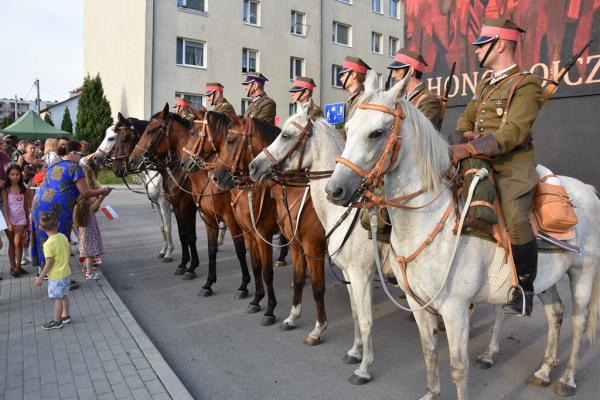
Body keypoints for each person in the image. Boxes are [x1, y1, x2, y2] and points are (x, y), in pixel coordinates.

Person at [451, 18, 542, 316]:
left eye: (481, 45)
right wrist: (461, 142)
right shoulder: (485, 85)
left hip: (511, 163)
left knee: (515, 215)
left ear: (499, 44)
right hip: (478, 159)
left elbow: (515, 130)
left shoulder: (526, 83)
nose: (476, 51)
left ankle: (524, 290)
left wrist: (472, 144)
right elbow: (465, 120)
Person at [30, 140, 112, 286]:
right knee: (59, 243)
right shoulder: (75, 168)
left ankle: (46, 272)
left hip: (39, 206)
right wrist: (103, 191)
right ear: (73, 153)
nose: (81, 157)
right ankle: (60, 279)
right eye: (80, 154)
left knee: (44, 240)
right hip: (57, 211)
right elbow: (85, 191)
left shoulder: (54, 164)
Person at [387, 48, 443, 130]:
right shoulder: (403, 99)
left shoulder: (428, 99)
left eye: (397, 70)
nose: (393, 76)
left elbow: (422, 133)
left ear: (411, 71)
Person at [34, 211, 72, 330]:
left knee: (57, 299)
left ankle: (57, 321)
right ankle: (65, 316)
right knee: (64, 295)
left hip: (56, 276)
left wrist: (41, 277)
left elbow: (49, 263)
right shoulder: (63, 236)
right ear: (58, 224)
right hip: (66, 272)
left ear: (40, 227)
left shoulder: (48, 244)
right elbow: (69, 251)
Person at [74, 165, 105, 280]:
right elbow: (93, 207)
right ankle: (89, 273)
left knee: (85, 248)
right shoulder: (85, 194)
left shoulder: (81, 198)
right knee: (89, 251)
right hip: (88, 226)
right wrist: (101, 197)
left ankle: (86, 267)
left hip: (85, 224)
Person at [2, 164, 32, 277]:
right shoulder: (6, 189)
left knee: (18, 242)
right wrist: (8, 222)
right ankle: (12, 266)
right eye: (12, 174)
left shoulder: (24, 188)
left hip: (20, 218)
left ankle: (18, 267)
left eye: (17, 174)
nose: (15, 177)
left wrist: (27, 219)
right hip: (9, 218)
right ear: (8, 175)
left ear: (21, 174)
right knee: (11, 243)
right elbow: (5, 206)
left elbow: (26, 206)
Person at [338, 56, 371, 137]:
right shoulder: (354, 99)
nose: (340, 79)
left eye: (343, 74)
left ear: (353, 74)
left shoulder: (363, 99)